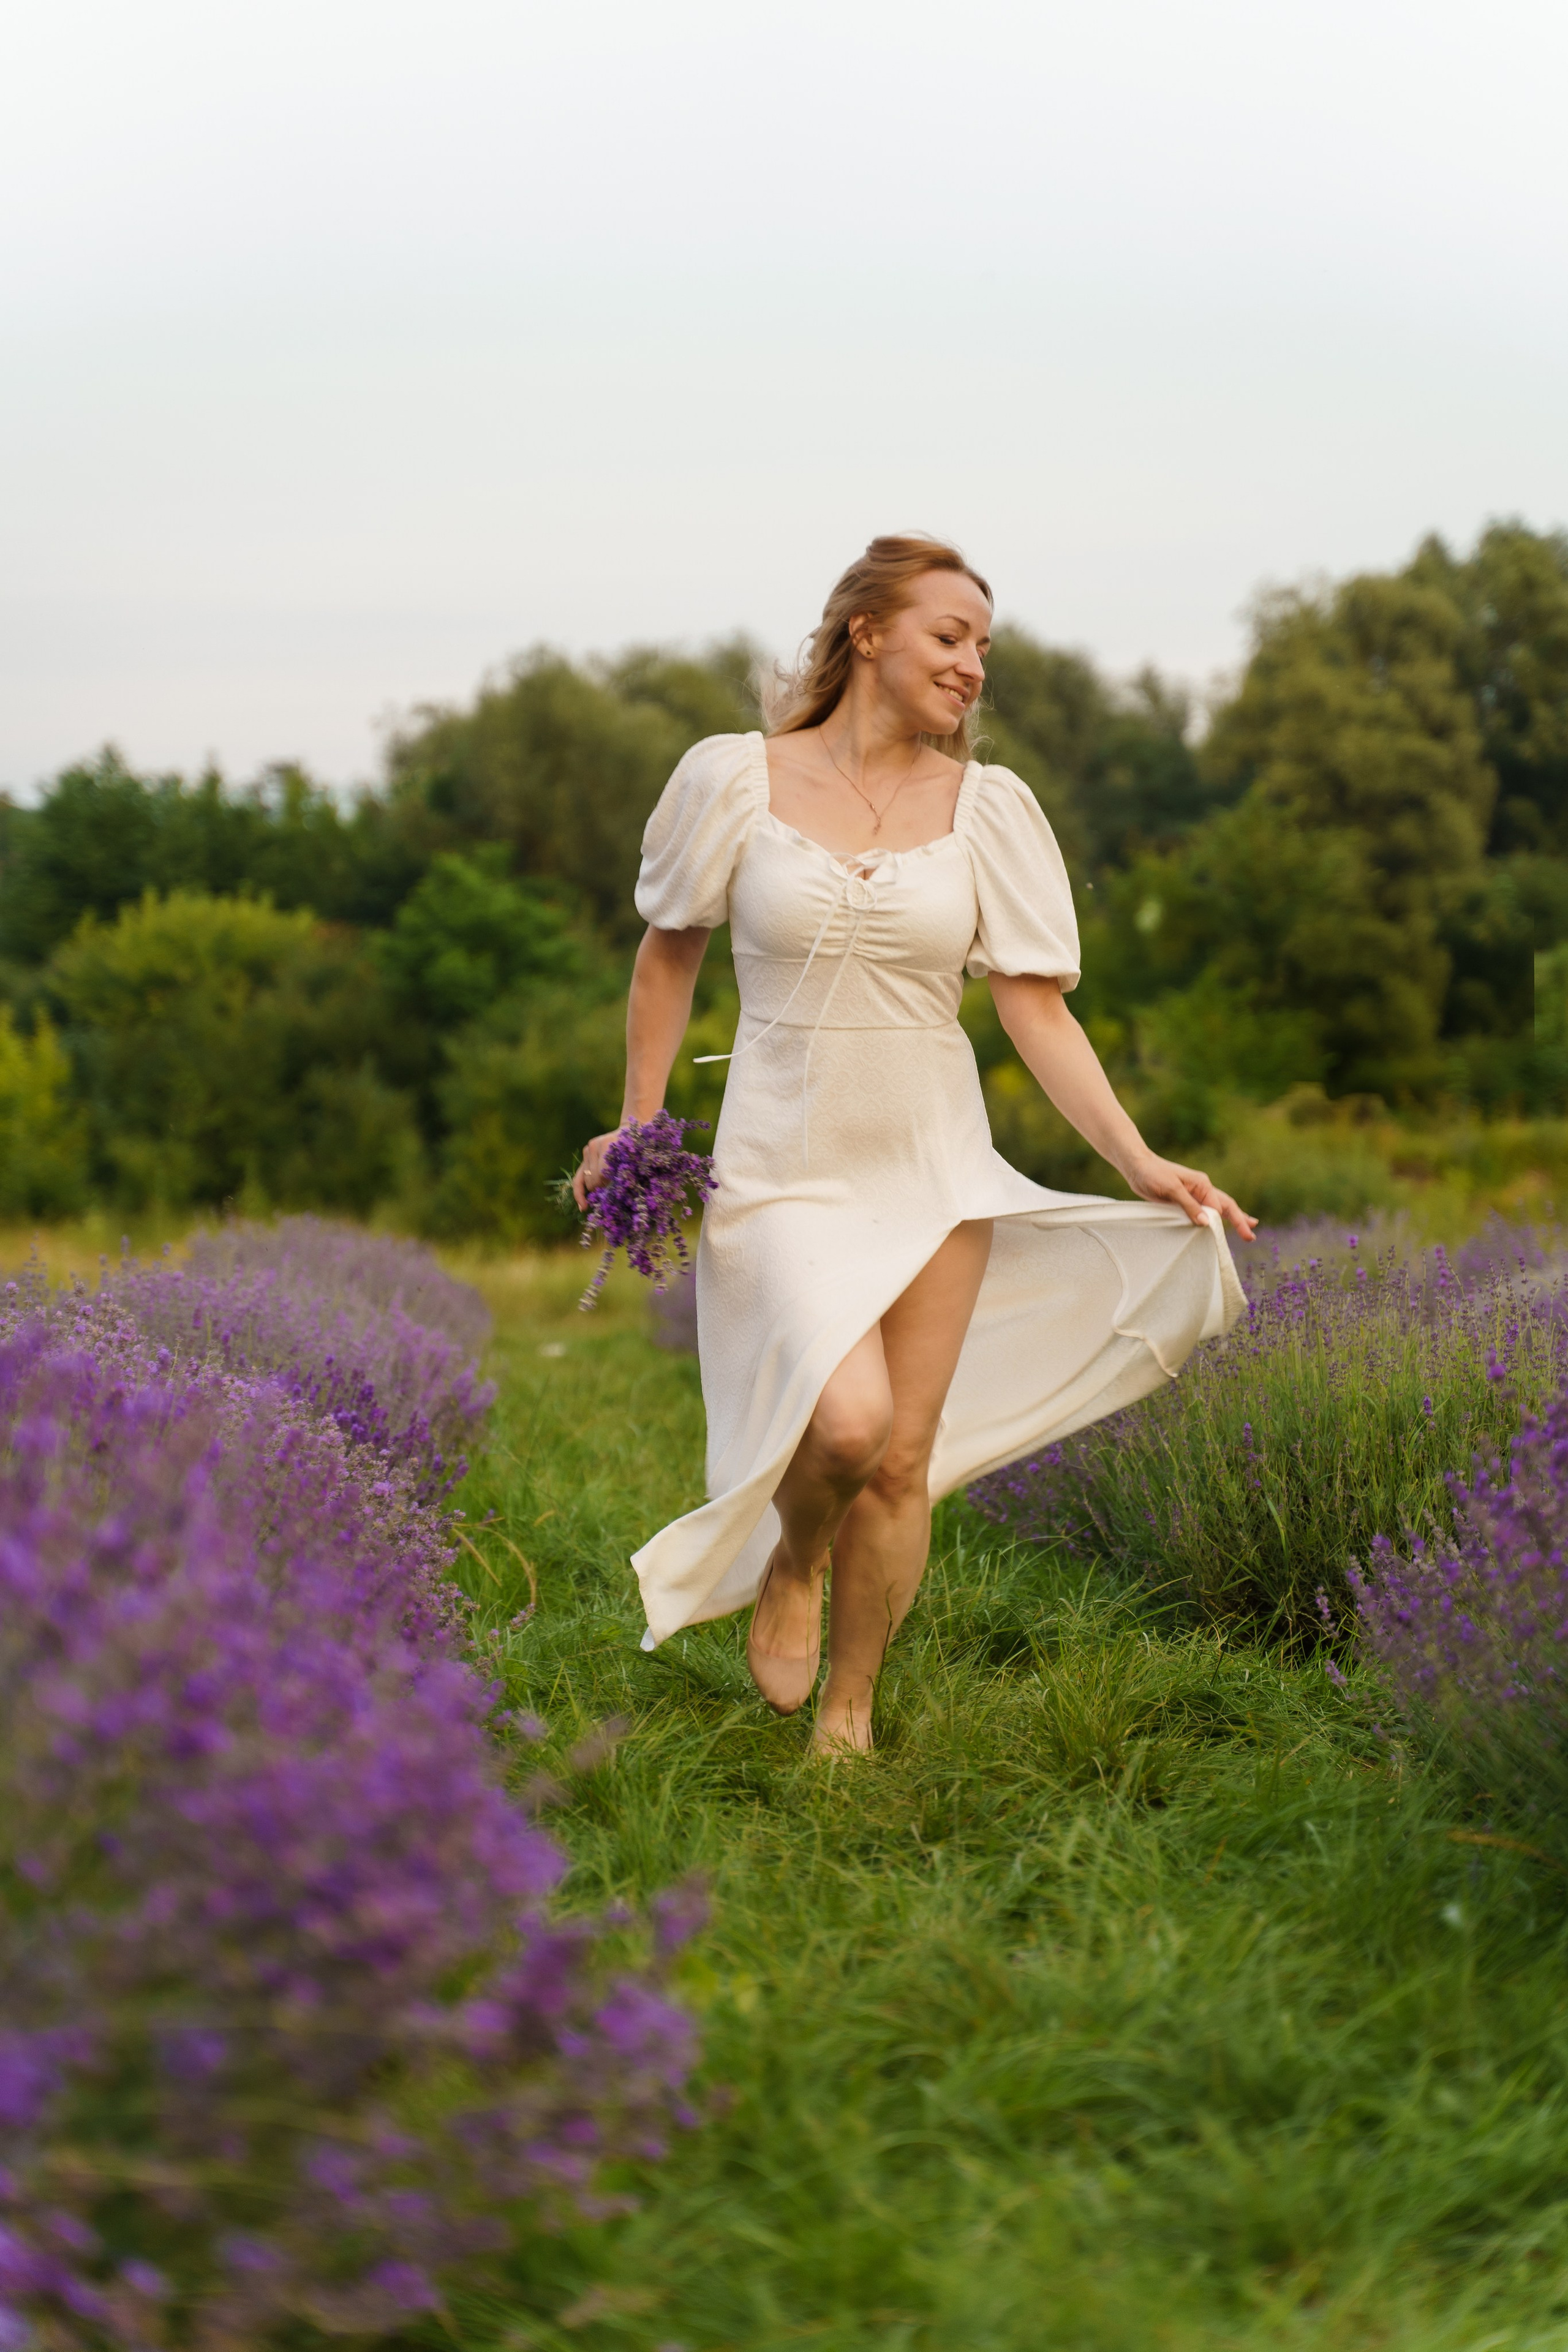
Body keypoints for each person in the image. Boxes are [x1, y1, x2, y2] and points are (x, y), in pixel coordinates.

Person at [574, 535, 1254, 1754]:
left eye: (983, 647)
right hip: (782, 1167)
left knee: (896, 1461)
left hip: (935, 1170)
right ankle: (791, 1565)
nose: (971, 667)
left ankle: (850, 1715)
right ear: (866, 632)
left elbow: (1035, 1009)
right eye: (949, 636)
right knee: (839, 1427)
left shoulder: (987, 811)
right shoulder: (735, 779)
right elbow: (667, 950)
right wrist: (636, 1124)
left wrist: (1138, 1160)